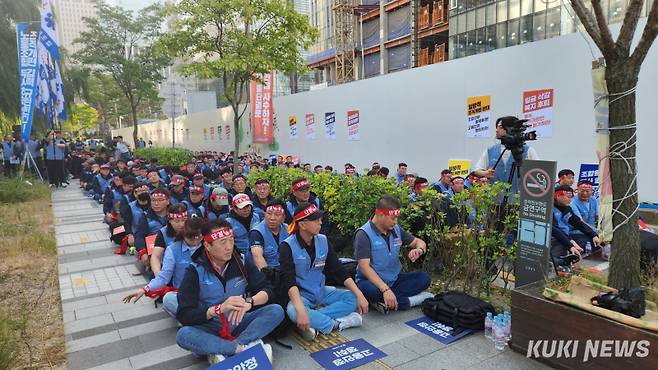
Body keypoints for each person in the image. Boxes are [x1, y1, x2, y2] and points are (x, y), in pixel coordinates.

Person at [175, 219, 283, 365]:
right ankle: (240, 349)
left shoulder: (242, 261)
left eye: (231, 240)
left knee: (276, 311)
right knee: (183, 335)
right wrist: (219, 309)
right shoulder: (194, 270)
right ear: (207, 245)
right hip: (210, 325)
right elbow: (184, 314)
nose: (229, 247)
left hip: (238, 321)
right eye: (222, 242)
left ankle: (229, 348)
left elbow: (268, 290)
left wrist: (248, 303)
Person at [280, 202, 368, 340]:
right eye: (315, 220)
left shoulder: (323, 240)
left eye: (319, 218)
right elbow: (289, 282)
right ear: (302, 224)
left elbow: (339, 270)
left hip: (321, 291)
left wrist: (359, 294)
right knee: (293, 311)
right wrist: (301, 310)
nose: (320, 222)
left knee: (353, 298)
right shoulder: (287, 246)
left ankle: (313, 319)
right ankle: (336, 324)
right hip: (301, 296)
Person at [354, 195, 433, 314]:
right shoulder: (363, 234)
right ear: (380, 215)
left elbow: (419, 242)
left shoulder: (395, 229)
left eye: (397, 218)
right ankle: (406, 301)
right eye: (392, 218)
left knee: (424, 279)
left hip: (394, 279)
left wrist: (419, 250)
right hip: (372, 282)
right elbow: (364, 268)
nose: (395, 222)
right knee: (369, 290)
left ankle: (387, 301)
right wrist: (385, 289)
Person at [123, 216, 203, 316]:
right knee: (168, 299)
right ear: (183, 235)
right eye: (190, 239)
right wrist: (144, 289)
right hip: (184, 293)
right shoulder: (173, 250)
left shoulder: (208, 246)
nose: (195, 243)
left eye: (199, 238)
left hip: (207, 291)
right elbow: (163, 277)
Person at [473, 116, 539, 195]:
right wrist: (485, 173)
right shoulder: (490, 150)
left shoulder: (528, 150)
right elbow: (477, 170)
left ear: (510, 128)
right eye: (496, 127)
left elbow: (537, 174)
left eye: (500, 127)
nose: (496, 130)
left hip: (518, 203)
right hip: (495, 203)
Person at [551, 185, 601, 272]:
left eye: (571, 197)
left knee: (586, 240)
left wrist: (593, 235)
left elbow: (577, 223)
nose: (570, 200)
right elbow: (555, 230)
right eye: (568, 197)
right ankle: (559, 264)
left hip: (564, 237)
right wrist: (570, 244)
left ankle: (565, 264)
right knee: (556, 256)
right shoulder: (549, 209)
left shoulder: (567, 209)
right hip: (553, 238)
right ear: (558, 196)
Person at [133, 188, 171, 266]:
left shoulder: (174, 214)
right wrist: (143, 252)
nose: (156, 203)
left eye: (160, 200)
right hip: (154, 248)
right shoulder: (145, 216)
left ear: (168, 201)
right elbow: (139, 235)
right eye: (153, 200)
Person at [249, 200, 288, 270]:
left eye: (277, 215)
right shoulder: (256, 232)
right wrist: (269, 275)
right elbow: (257, 257)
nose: (272, 218)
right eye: (269, 214)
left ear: (283, 218)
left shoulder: (288, 229)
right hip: (268, 272)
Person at [151, 203, 188, 275]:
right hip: (169, 269)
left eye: (184, 220)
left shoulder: (194, 230)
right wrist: (158, 275)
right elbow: (155, 257)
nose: (181, 224)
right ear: (170, 221)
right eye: (177, 221)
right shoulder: (163, 233)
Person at [119, 182, 151, 255]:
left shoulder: (155, 204)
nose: (142, 193)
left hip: (153, 232)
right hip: (137, 234)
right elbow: (127, 222)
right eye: (139, 191)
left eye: (144, 191)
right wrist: (130, 235)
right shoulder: (130, 206)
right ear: (134, 194)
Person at [570, 180, 599, 250]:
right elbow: (580, 221)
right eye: (582, 191)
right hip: (578, 231)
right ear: (577, 190)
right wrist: (594, 232)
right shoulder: (572, 202)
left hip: (594, 231)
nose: (585, 193)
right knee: (584, 244)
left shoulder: (594, 200)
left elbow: (598, 216)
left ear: (592, 191)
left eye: (588, 191)